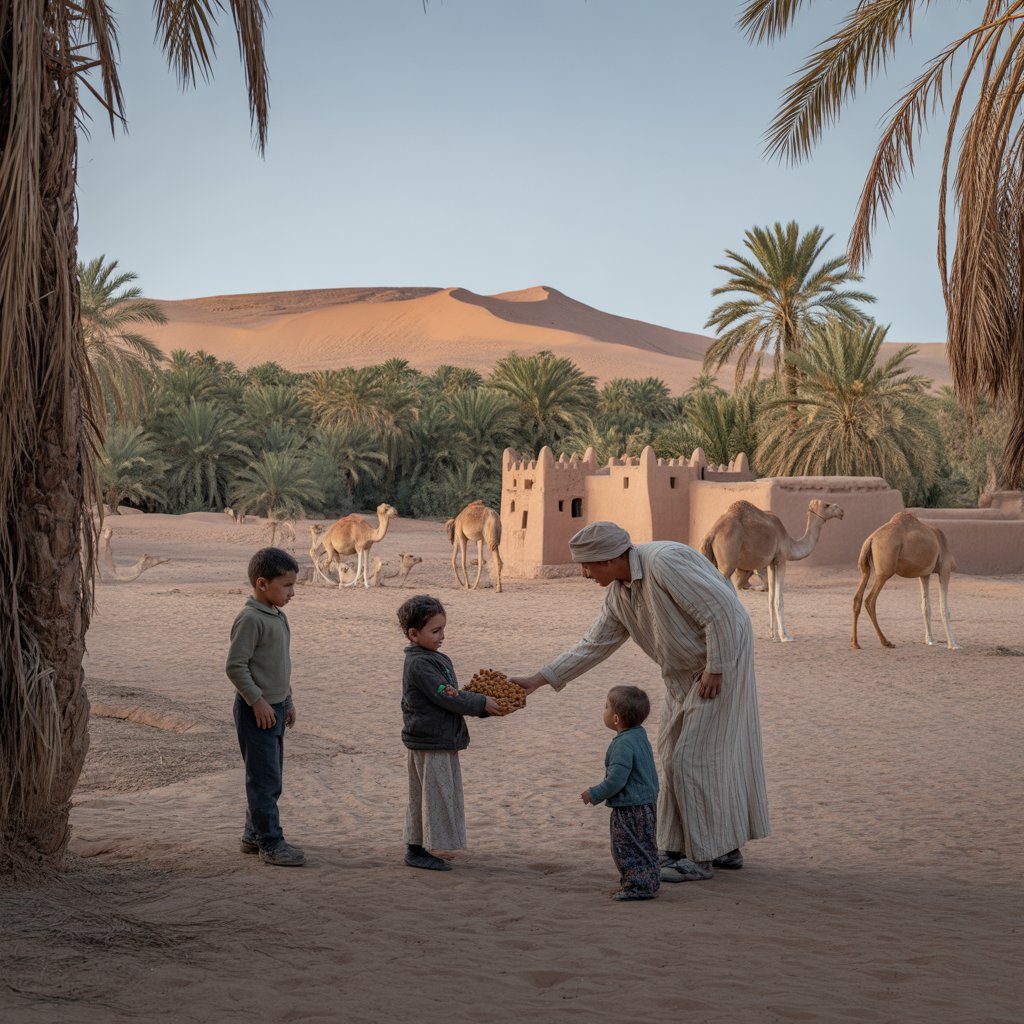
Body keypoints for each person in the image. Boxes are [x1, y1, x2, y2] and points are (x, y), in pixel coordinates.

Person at [513, 521, 770, 883]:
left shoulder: (664, 562)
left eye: (587, 565)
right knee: (671, 753)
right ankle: (706, 846)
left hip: (721, 666)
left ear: (608, 558)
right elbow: (593, 644)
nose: (584, 574)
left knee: (693, 758)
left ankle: (701, 858)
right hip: (682, 675)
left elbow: (723, 611)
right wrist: (538, 680)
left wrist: (718, 666)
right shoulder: (619, 594)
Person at [398, 594, 501, 870]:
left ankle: (417, 848)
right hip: (430, 740)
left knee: (426, 795)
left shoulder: (432, 657)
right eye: (435, 630)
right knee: (431, 796)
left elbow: (451, 693)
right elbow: (446, 695)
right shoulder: (421, 664)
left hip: (435, 738)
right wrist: (480, 703)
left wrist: (480, 705)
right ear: (413, 634)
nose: (442, 635)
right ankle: (417, 850)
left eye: (443, 628)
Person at [225, 547, 304, 867]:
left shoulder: (277, 616)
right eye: (286, 586)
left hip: (274, 709)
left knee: (269, 777)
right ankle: (270, 842)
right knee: (264, 780)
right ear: (261, 583)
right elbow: (235, 667)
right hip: (255, 712)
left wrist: (287, 700)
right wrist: (256, 701)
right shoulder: (250, 619)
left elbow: (279, 666)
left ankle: (252, 835)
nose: (292, 593)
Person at [582, 685, 660, 901]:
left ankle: (638, 886)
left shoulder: (623, 744)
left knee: (626, 846)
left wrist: (594, 794)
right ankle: (650, 880)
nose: (603, 709)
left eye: (606, 706)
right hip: (647, 803)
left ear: (616, 719)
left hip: (630, 808)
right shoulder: (639, 735)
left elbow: (616, 779)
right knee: (645, 844)